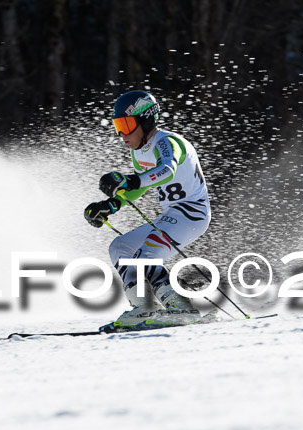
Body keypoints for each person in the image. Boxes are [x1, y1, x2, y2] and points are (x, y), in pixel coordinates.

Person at [84, 90, 211, 329]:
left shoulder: (167, 142)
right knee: (120, 247)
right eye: (117, 125)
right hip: (173, 214)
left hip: (191, 213)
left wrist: (131, 180)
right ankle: (142, 307)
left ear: (146, 119)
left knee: (146, 255)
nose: (122, 133)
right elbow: (141, 186)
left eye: (127, 124)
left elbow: (167, 170)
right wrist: (111, 205)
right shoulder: (139, 151)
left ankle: (181, 308)